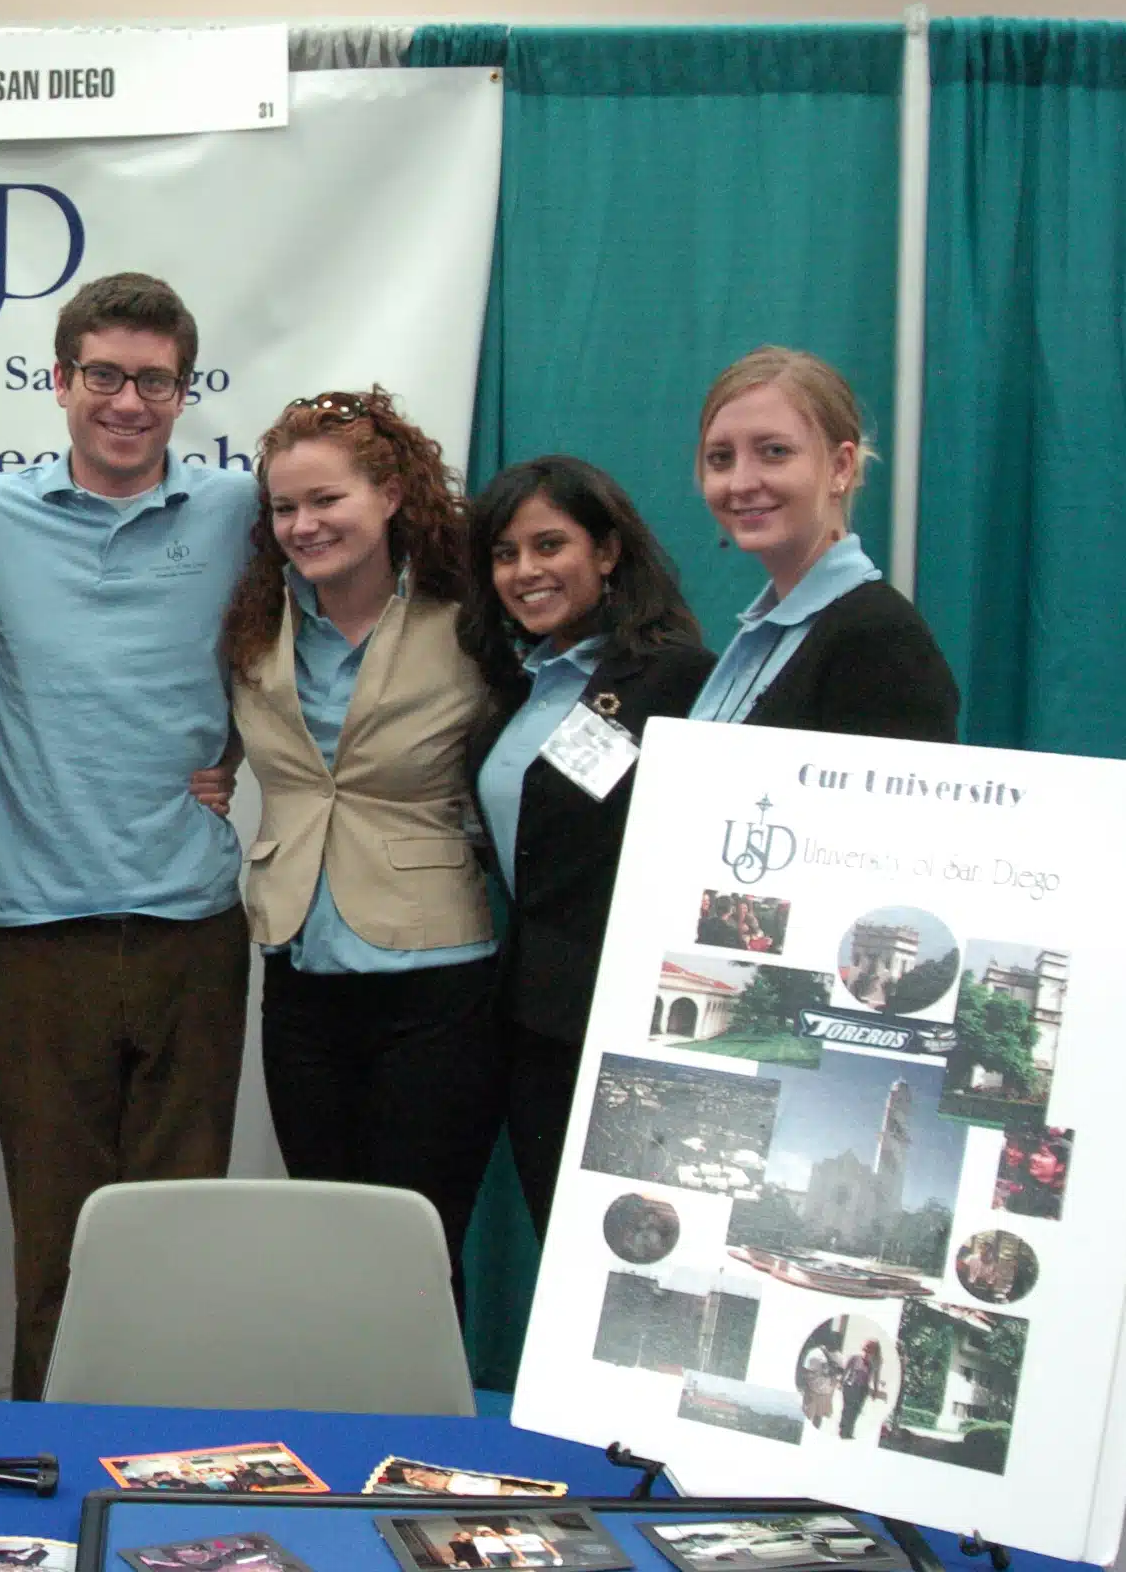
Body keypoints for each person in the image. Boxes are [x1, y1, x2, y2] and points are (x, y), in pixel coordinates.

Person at [0, 273, 257, 1398]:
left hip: (193, 932)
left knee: (175, 1241)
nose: (127, 401)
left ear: (183, 391)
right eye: (103, 375)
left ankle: (172, 1469)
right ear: (59, 382)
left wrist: (243, 758)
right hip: (37, 935)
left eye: (153, 380)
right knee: (53, 1244)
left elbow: (300, 651)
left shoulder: (236, 514)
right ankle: (55, 1476)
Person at [221, 388, 500, 1297]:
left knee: (417, 1251)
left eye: (326, 500)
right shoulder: (259, 621)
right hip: (300, 970)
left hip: (437, 974)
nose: (304, 525)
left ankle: (427, 1437)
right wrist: (211, 769)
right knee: (328, 1244)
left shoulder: (470, 615)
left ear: (389, 495)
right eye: (286, 508)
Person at [459, 455, 713, 1236]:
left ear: (606, 552)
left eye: (549, 546)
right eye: (505, 555)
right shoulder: (514, 689)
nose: (525, 572)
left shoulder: (676, 680)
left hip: (635, 1031)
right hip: (536, 1025)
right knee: (560, 1245)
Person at [687, 347, 958, 737]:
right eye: (720, 458)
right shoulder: (772, 632)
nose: (741, 482)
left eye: (774, 452)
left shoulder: (878, 639)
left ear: (840, 467)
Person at [838, 1338, 886, 1439]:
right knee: (847, 1409)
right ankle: (843, 1430)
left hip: (862, 1389)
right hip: (850, 1386)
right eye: (866, 1349)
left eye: (870, 1351)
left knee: (856, 1410)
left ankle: (848, 1431)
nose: (867, 1353)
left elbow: (876, 1377)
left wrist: (876, 1390)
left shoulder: (875, 1363)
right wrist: (841, 1382)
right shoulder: (855, 1358)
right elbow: (846, 1370)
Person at [800, 1337, 840, 1428]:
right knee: (806, 1415)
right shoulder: (814, 1354)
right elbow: (806, 1372)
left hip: (826, 1392)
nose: (835, 1346)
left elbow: (839, 1373)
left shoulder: (838, 1356)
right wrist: (806, 1390)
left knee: (819, 1416)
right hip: (812, 1390)